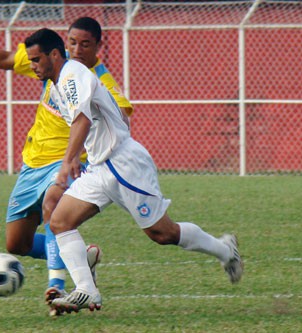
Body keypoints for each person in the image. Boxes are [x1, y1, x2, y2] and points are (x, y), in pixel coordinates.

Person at [21, 28, 244, 314]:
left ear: (54, 54)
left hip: (123, 164)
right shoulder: (56, 86)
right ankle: (87, 291)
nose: (33, 66)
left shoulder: (71, 74)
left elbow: (82, 119)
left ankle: (225, 250)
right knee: (59, 219)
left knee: (162, 233)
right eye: (29, 60)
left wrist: (68, 164)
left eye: (37, 59)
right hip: (101, 167)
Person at [0, 17, 133, 316]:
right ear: (61, 45)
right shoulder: (49, 62)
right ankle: (79, 257)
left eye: (85, 44)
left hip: (66, 163)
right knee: (16, 243)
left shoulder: (99, 79)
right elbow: (8, 58)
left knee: (53, 205)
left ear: (98, 47)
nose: (77, 49)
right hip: (31, 165)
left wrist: (87, 152)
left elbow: (121, 117)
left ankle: (57, 286)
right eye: (72, 42)